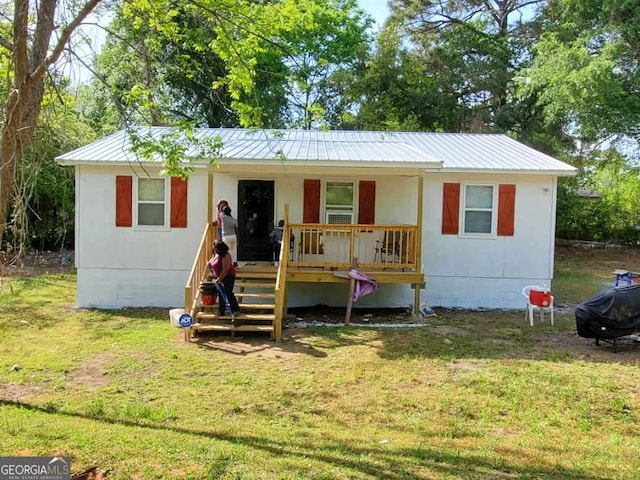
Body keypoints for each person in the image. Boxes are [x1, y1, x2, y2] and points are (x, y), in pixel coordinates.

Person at [207, 240, 240, 316]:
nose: (215, 251)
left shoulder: (226, 255)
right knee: (221, 294)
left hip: (228, 276)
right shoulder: (215, 253)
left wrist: (219, 279)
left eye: (217, 249)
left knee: (228, 292)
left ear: (221, 249)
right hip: (218, 276)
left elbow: (225, 269)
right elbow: (211, 262)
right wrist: (211, 268)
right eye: (215, 249)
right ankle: (221, 311)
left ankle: (235, 310)